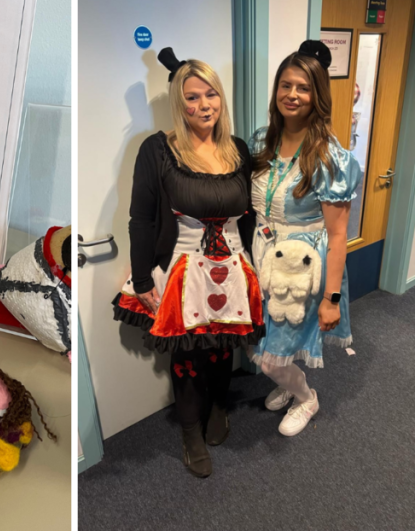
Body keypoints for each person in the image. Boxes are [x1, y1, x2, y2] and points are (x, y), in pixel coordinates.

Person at [112, 48, 263, 477]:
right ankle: (190, 430)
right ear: (179, 103)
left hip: (232, 265)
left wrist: (257, 269)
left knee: (220, 348)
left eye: (210, 95)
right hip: (181, 267)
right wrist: (143, 278)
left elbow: (248, 216)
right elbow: (140, 218)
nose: (203, 106)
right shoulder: (158, 150)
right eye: (192, 97)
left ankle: (219, 406)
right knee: (187, 354)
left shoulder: (237, 149)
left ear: (221, 99)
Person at [248, 40, 361, 437]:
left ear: (317, 96)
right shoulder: (263, 139)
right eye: (285, 85)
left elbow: (338, 234)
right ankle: (288, 381)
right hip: (261, 253)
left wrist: (331, 300)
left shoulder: (330, 156)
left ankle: (306, 397)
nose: (292, 95)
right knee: (264, 342)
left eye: (303, 88)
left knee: (271, 358)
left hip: (301, 263)